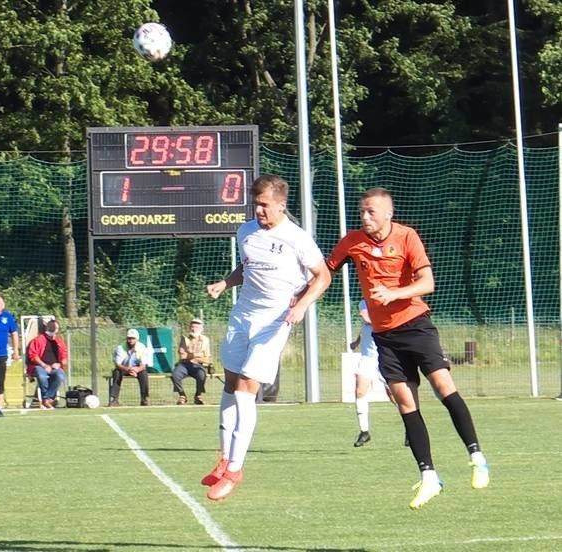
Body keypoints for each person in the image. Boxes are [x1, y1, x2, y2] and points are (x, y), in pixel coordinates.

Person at [326, 186, 489, 509]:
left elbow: (428, 284)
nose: (365, 217)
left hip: (416, 326)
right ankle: (429, 477)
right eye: (362, 211)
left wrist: (395, 294)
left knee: (443, 386)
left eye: (371, 211)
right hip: (385, 337)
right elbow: (325, 271)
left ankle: (477, 457)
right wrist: (299, 295)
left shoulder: (406, 236)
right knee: (404, 403)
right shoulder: (352, 242)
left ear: (388, 213)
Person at [202, 174, 331, 501]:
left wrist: (302, 305)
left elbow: (323, 276)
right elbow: (247, 268)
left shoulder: (297, 238)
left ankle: (235, 470)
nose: (258, 210)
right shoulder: (245, 232)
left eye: (264, 205)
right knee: (230, 383)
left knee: (247, 386)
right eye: (255, 204)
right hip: (242, 315)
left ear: (281, 205)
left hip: (274, 320)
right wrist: (224, 284)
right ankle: (224, 459)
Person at [349, 298, 390, 447]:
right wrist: (357, 342)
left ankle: (409, 426)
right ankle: (364, 432)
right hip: (367, 358)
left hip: (383, 357)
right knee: (359, 391)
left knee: (393, 394)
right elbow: (365, 320)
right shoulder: (364, 302)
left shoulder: (387, 300)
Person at [26, 318, 68, 410]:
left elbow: (64, 356)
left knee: (60, 375)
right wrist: (44, 365)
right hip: (39, 366)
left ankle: (47, 399)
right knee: (42, 376)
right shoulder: (38, 340)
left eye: (55, 328)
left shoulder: (59, 341)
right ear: (47, 328)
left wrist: (59, 364)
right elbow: (33, 355)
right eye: (52, 328)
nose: (53, 330)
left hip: (55, 367)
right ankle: (47, 399)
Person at [172, 318, 211, 405]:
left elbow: (207, 358)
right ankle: (182, 395)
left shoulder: (205, 340)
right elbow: (183, 356)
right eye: (192, 327)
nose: (194, 329)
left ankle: (198, 396)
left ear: (201, 329)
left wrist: (192, 355)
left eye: (197, 327)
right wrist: (197, 355)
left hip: (198, 365)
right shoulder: (185, 338)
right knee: (175, 374)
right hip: (184, 364)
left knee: (202, 374)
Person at [109, 328, 150, 407]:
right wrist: (128, 369)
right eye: (129, 338)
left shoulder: (142, 347)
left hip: (136, 369)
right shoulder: (120, 348)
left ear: (137, 339)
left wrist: (137, 370)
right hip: (123, 368)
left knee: (144, 373)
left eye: (133, 338)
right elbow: (118, 364)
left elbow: (143, 365)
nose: (130, 340)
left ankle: (144, 398)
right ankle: (114, 399)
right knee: (116, 373)